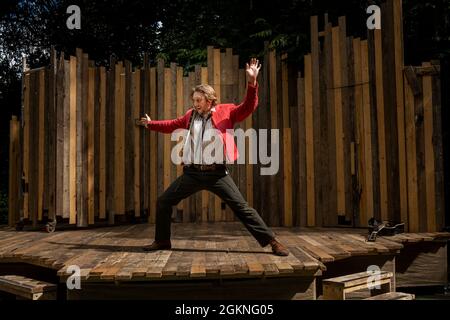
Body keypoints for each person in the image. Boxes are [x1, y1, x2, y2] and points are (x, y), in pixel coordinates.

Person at [137, 58, 288, 256]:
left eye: (199, 100)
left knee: (242, 208)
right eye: (194, 100)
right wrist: (151, 124)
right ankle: (162, 241)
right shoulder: (191, 115)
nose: (195, 104)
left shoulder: (226, 112)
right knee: (163, 202)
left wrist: (252, 83)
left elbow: (248, 106)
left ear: (210, 100)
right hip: (192, 173)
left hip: (217, 174)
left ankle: (272, 241)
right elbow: (172, 124)